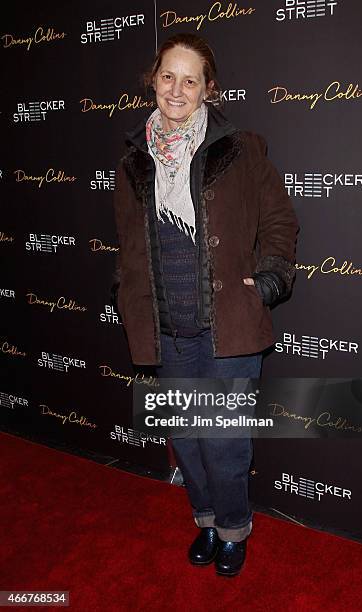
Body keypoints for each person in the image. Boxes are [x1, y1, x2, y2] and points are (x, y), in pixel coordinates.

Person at [111, 33, 299, 577]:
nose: (177, 88)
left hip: (228, 331)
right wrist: (126, 294)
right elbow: (128, 242)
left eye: (190, 79)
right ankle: (208, 521)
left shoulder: (242, 149)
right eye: (168, 75)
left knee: (223, 444)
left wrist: (269, 280)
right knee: (187, 443)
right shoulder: (133, 162)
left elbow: (280, 222)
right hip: (166, 329)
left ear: (208, 90)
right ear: (153, 80)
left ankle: (235, 529)